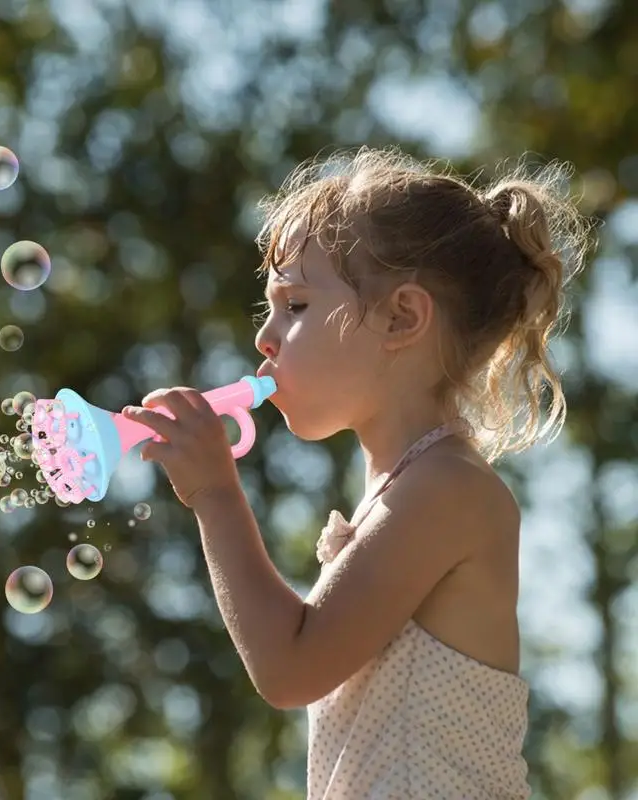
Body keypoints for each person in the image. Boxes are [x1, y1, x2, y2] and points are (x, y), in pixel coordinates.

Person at [121, 146, 594, 799]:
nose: (265, 336)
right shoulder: (404, 489)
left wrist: (214, 494)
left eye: (295, 305)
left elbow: (290, 667)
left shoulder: (446, 490)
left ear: (402, 317)